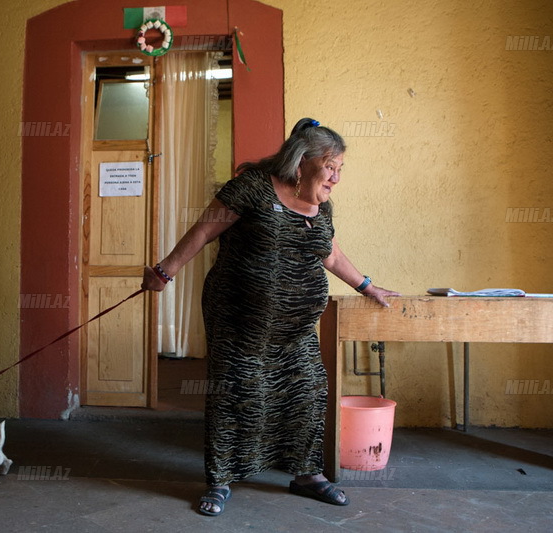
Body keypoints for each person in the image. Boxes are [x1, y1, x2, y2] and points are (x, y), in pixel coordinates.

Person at [141, 117, 399, 516]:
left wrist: (366, 285)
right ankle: (220, 480)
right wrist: (164, 272)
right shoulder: (252, 187)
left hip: (296, 330)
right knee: (235, 393)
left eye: (340, 168)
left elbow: (330, 253)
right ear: (302, 162)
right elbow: (204, 230)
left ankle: (306, 474)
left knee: (307, 390)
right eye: (330, 166)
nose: (336, 178)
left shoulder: (321, 207)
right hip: (239, 320)